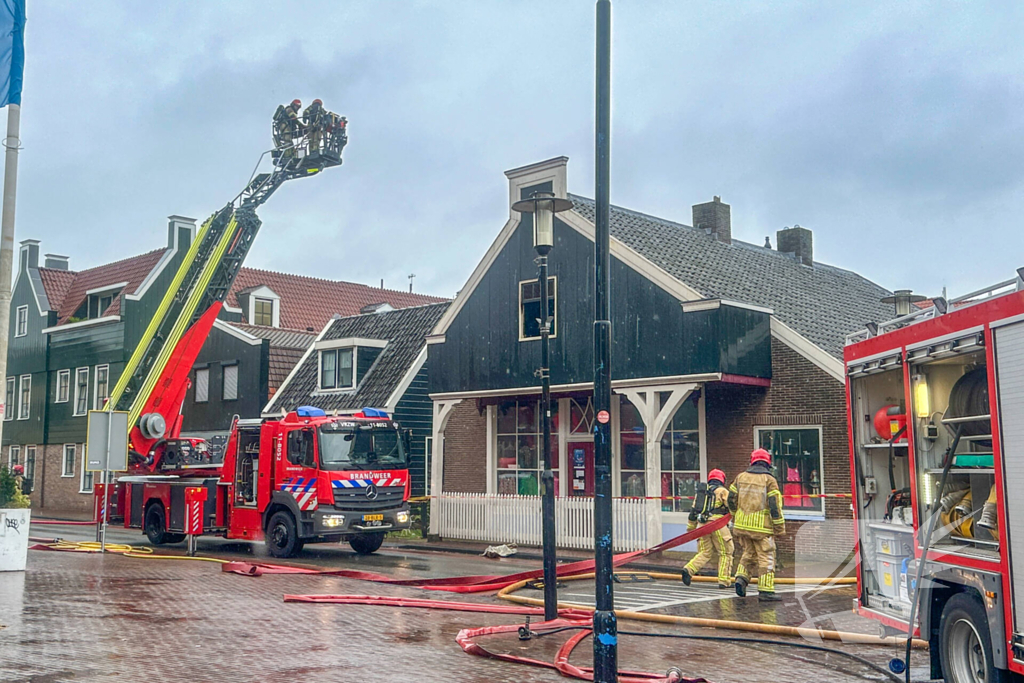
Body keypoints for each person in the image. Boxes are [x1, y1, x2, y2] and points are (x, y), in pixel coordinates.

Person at [728, 448, 786, 601]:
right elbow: (774, 506)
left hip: (742, 526)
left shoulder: (740, 477)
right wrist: (779, 528)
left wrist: (735, 516)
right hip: (762, 528)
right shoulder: (769, 480)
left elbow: (730, 499)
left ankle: (740, 578)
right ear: (768, 462)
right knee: (766, 557)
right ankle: (766, 591)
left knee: (749, 553)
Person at [681, 469, 734, 588]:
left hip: (702, 526)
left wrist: (691, 529)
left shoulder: (701, 493)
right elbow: (732, 507)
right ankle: (724, 581)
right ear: (722, 479)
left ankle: (688, 570)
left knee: (705, 552)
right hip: (717, 525)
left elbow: (693, 512)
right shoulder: (723, 491)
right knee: (726, 552)